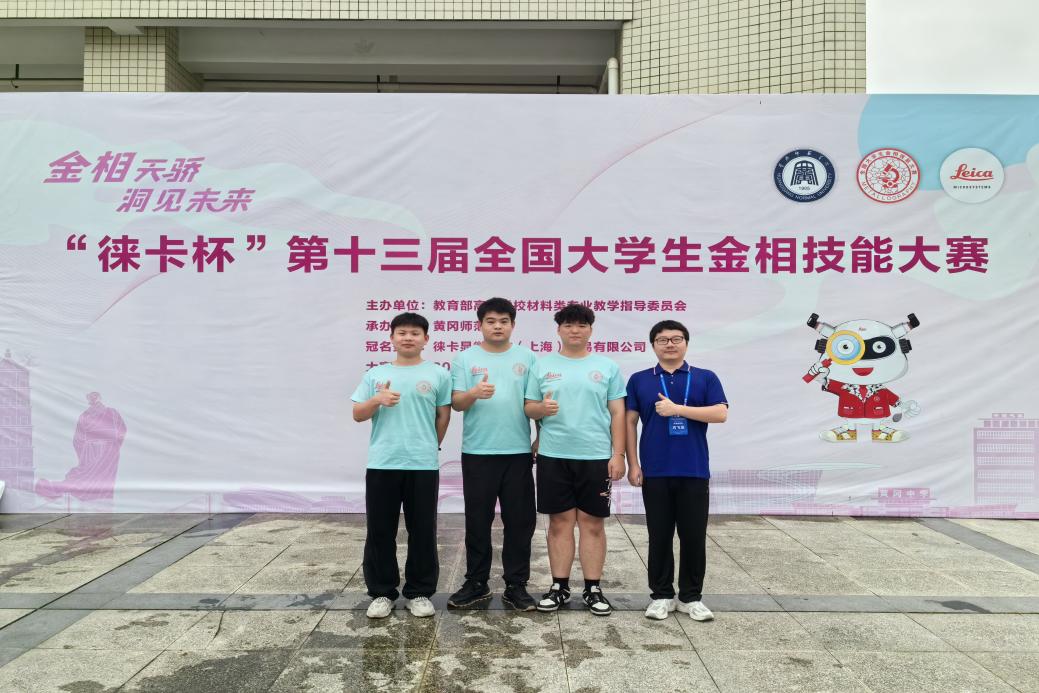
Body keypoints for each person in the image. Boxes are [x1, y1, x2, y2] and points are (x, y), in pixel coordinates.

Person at [524, 304, 626, 616]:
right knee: (559, 522)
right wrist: (541, 411)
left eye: (581, 325)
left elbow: (618, 412)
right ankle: (559, 586)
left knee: (592, 523)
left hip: (595, 456)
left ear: (590, 330)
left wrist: (618, 454)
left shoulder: (607, 367)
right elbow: (529, 407)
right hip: (554, 455)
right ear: (558, 330)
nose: (575, 330)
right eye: (568, 325)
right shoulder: (541, 366)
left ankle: (593, 588)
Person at [624, 320, 728, 622]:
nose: (670, 344)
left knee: (693, 536)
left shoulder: (705, 377)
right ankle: (661, 596)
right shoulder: (640, 379)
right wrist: (633, 464)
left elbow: (720, 413)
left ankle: (691, 597)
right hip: (655, 470)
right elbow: (629, 423)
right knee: (659, 535)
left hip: (693, 469)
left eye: (676, 339)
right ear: (653, 345)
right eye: (662, 339)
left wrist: (678, 410)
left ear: (686, 343)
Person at [351, 312, 451, 619]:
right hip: (383, 462)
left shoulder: (438, 374)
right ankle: (382, 592)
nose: (408, 338)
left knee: (422, 529)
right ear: (392, 338)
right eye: (402, 333)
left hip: (422, 463)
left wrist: (430, 445)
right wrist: (377, 400)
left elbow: (443, 415)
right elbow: (358, 414)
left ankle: (419, 592)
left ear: (426, 339)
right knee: (380, 529)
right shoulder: (376, 374)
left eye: (415, 333)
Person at [447, 297, 538, 611]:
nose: (497, 326)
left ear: (513, 325)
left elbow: (535, 401)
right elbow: (456, 403)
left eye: (503, 321)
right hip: (478, 451)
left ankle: (516, 585)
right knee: (477, 520)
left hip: (518, 451)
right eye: (491, 321)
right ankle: (476, 582)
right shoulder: (465, 358)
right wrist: (474, 393)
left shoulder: (527, 357)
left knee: (520, 522)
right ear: (480, 324)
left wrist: (540, 437)